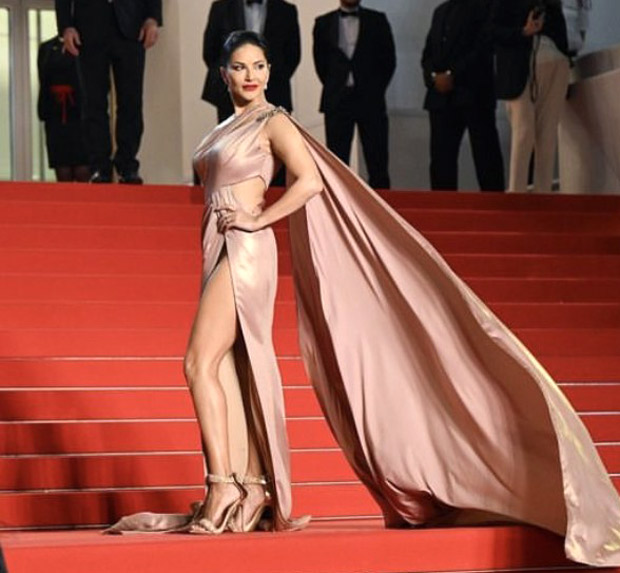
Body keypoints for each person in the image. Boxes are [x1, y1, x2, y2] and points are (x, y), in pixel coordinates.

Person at [106, 31, 620, 568]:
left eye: (260, 64)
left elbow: (308, 183)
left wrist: (259, 218)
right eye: (240, 67)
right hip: (217, 247)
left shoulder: (272, 121)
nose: (252, 75)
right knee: (230, 368)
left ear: (270, 70)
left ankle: (223, 487)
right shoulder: (225, 127)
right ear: (223, 74)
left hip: (247, 252)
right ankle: (248, 484)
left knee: (197, 362)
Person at [54, 0, 162, 184]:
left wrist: (152, 18)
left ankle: (127, 165)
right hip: (88, 27)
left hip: (131, 27)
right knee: (93, 102)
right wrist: (66, 26)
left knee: (131, 101)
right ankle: (99, 166)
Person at [421, 0, 505, 192]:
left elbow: (483, 49)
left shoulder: (486, 7)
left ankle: (497, 212)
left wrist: (453, 75)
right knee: (441, 162)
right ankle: (443, 213)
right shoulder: (440, 11)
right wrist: (433, 77)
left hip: (474, 94)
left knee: (486, 158)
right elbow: (428, 54)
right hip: (441, 99)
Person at [313, 0, 396, 189]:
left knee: (378, 162)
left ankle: (381, 212)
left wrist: (375, 90)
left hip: (371, 100)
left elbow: (388, 61)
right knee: (336, 163)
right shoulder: (323, 23)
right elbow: (322, 63)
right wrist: (337, 85)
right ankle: (339, 211)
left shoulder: (378, 21)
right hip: (337, 101)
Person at [491, 0, 570, 193]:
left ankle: (542, 194)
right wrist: (523, 32)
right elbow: (491, 30)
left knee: (548, 132)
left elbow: (560, 26)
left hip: (555, 60)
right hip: (519, 65)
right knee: (524, 131)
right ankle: (517, 193)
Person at [201, 0, 301, 123]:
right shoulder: (221, 8)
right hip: (230, 100)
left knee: (275, 140)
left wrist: (265, 79)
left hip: (275, 95)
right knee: (234, 141)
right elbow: (210, 53)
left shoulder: (286, 10)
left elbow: (292, 56)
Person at [37, 36, 90, 182]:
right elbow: (43, 80)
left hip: (81, 114)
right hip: (55, 114)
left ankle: (85, 203)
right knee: (61, 166)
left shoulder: (87, 45)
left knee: (83, 166)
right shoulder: (47, 48)